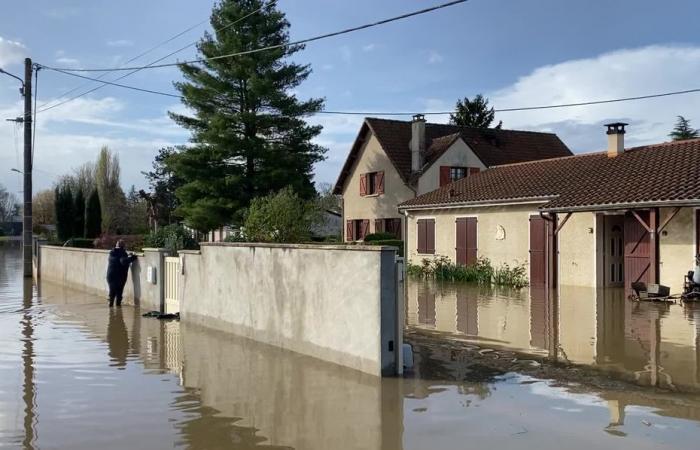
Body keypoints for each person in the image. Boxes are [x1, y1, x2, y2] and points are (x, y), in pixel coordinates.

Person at [106, 239, 137, 307]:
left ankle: (111, 313)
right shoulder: (122, 252)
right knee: (119, 294)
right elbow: (123, 261)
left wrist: (128, 256)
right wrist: (133, 257)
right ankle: (118, 312)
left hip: (110, 276)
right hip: (119, 277)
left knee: (112, 293)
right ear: (123, 246)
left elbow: (119, 259)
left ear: (116, 245)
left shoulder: (112, 252)